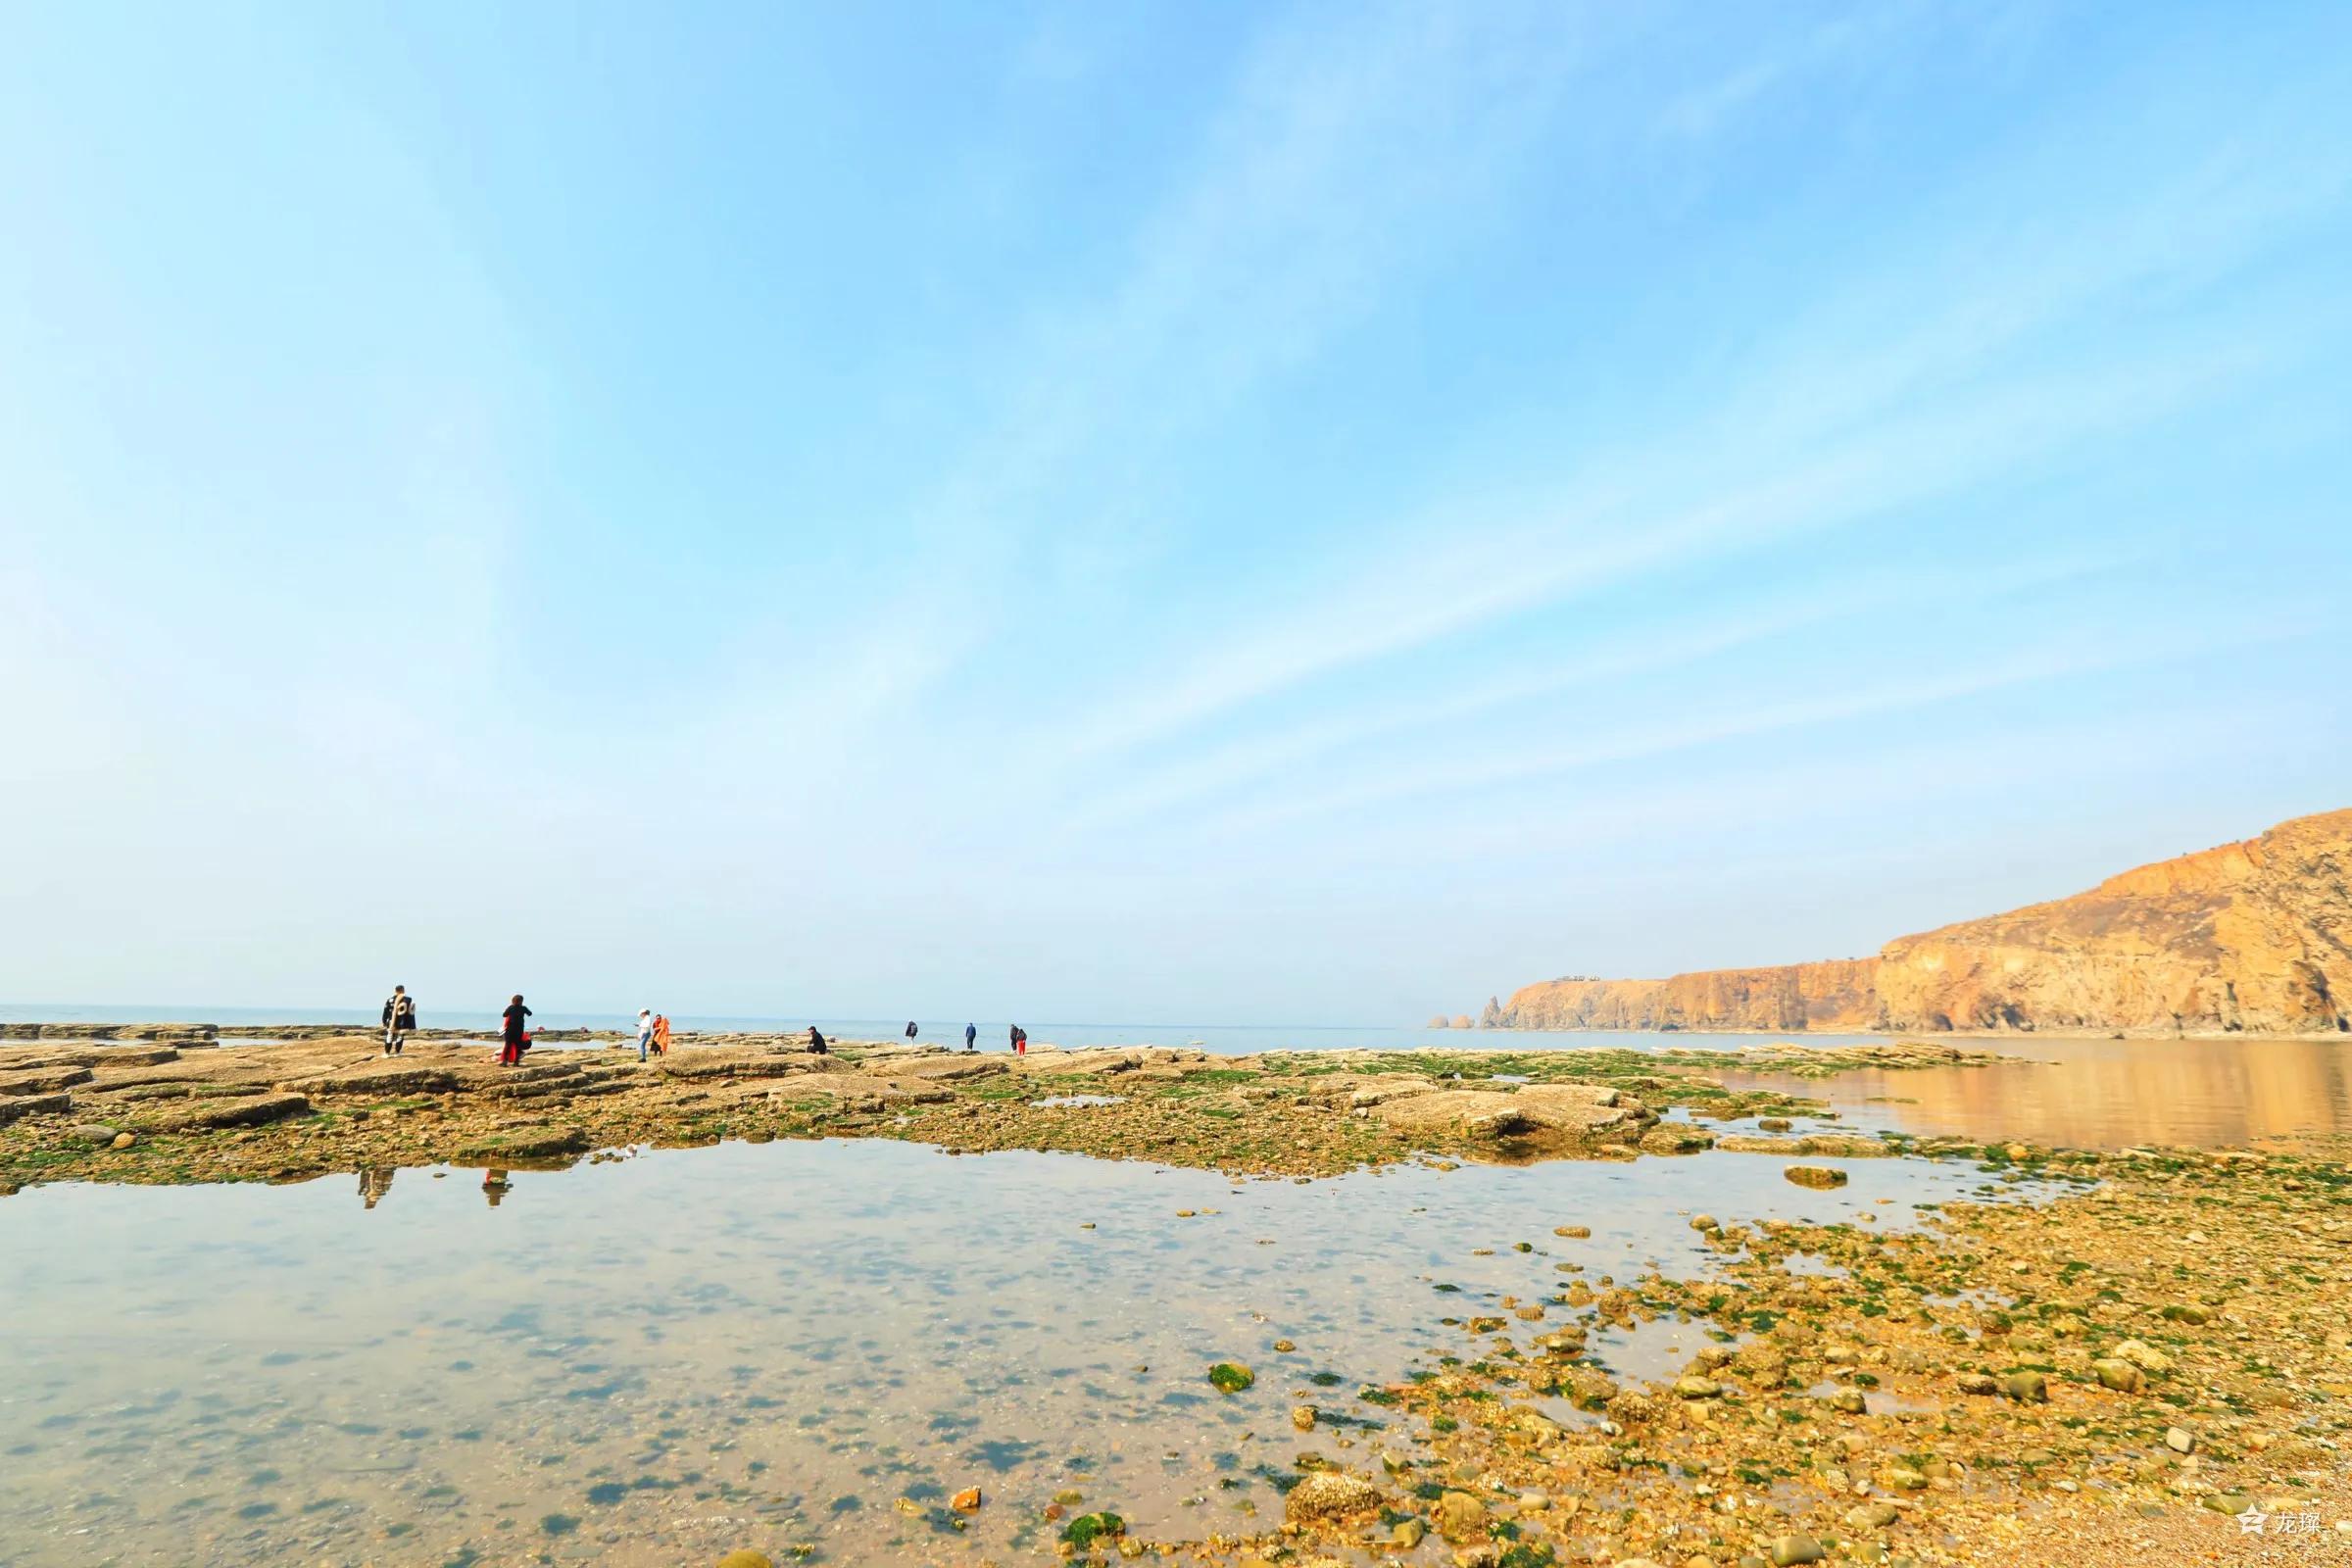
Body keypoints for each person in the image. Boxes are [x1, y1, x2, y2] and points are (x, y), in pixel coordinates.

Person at [381, 985, 417, 1055]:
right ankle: (397, 1052)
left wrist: (384, 1021)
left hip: (391, 1021)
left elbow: (385, 1011)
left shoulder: (390, 1000)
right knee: (400, 1036)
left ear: (395, 990)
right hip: (402, 1022)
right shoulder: (408, 999)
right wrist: (411, 1025)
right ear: (403, 990)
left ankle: (387, 1053)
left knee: (390, 1035)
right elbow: (411, 1012)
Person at [500, 994, 532, 1065]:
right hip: (519, 1030)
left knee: (508, 1045)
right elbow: (530, 1014)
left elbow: (504, 1015)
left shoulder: (510, 1007)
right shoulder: (523, 1008)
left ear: (513, 1001)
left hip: (510, 1030)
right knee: (518, 1045)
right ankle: (516, 1062)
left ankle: (504, 1062)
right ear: (521, 1001)